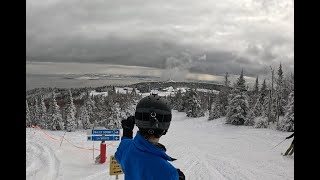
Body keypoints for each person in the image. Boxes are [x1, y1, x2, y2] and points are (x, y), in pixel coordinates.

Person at [115, 94, 185, 180]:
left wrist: (127, 133)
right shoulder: (168, 172)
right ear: (165, 128)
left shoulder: (127, 148)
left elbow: (119, 155)